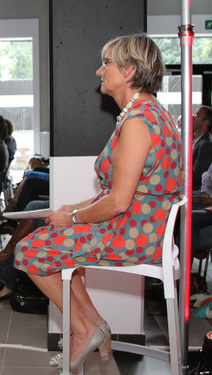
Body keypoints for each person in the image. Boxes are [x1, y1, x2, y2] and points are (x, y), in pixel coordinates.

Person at [13, 34, 182, 370]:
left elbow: (119, 201)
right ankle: (95, 327)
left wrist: (74, 220)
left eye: (107, 64)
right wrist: (73, 209)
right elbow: (117, 190)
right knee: (52, 244)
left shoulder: (138, 122)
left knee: (29, 251)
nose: (99, 71)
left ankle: (84, 329)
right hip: (140, 225)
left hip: (137, 233)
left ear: (129, 71)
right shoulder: (147, 113)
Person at [191, 106, 212, 191]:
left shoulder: (206, 145)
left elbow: (196, 176)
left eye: (197, 115)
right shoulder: (194, 140)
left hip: (195, 192)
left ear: (206, 123)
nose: (192, 117)